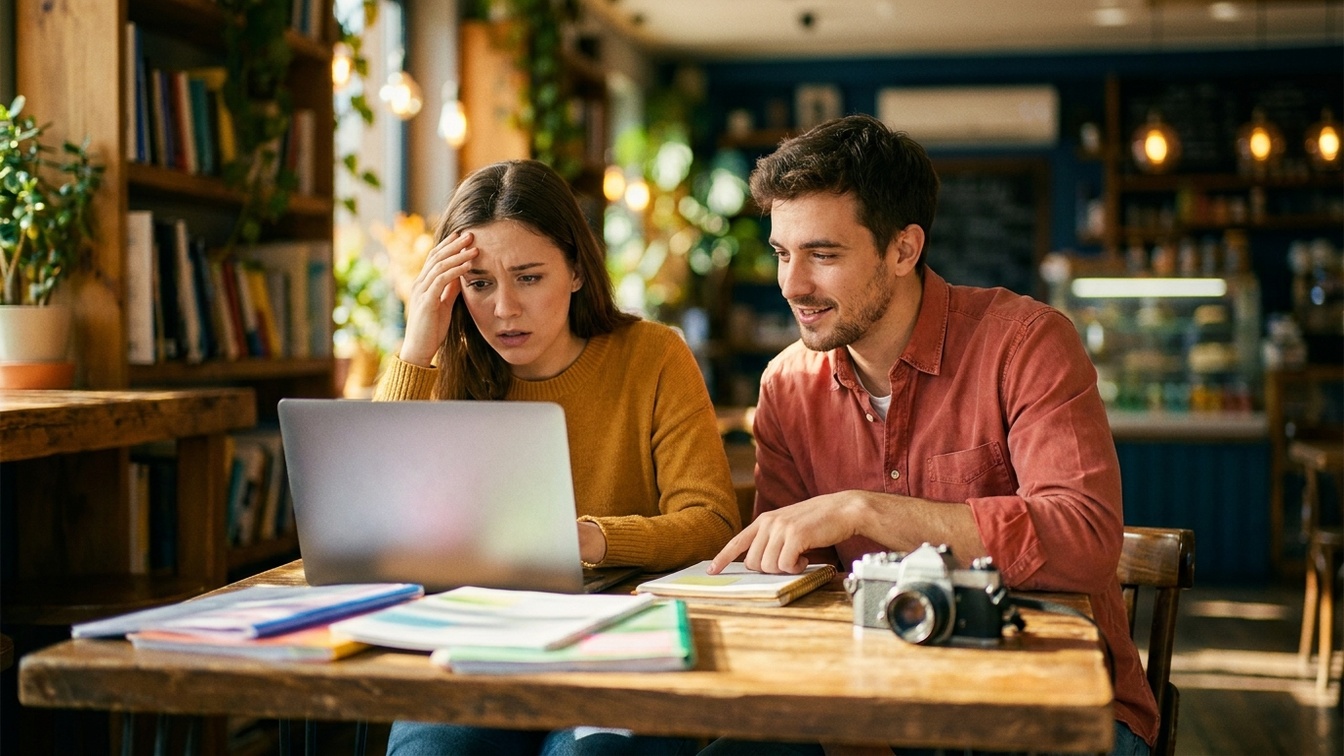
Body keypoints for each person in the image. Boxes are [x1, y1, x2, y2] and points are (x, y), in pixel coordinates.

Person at [699, 115, 1158, 756]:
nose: (792, 285)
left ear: (903, 250)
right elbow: (793, 588)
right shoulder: (787, 386)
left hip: (1049, 707)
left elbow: (1083, 540)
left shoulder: (1026, 345)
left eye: (823, 255)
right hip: (869, 705)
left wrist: (865, 511)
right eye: (782, 253)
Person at [378, 159, 739, 756]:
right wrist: (417, 346)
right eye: (479, 284)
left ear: (575, 270)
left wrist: (589, 538)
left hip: (617, 643)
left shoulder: (653, 357)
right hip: (483, 642)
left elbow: (713, 525)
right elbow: (378, 525)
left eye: (528, 277)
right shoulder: (442, 372)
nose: (504, 309)